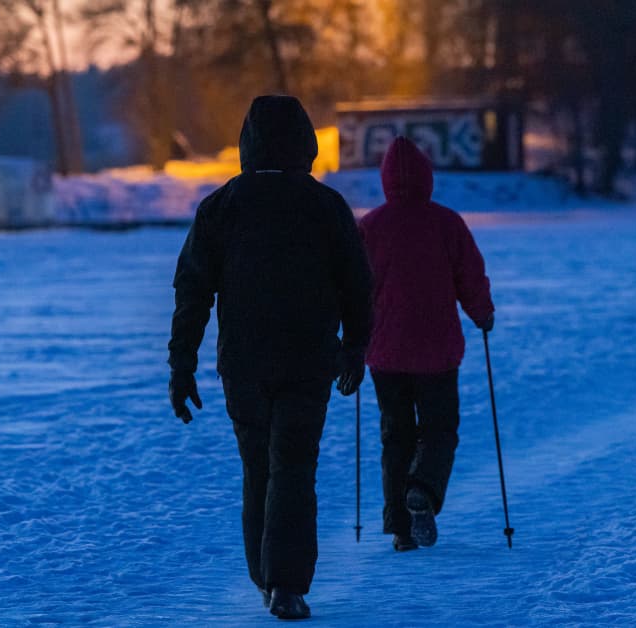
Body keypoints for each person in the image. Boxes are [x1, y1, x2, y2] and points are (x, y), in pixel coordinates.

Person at [167, 95, 372, 621]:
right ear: (305, 142)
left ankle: (268, 577)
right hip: (308, 361)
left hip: (244, 365)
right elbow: (357, 284)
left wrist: (182, 364)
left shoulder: (221, 207)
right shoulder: (325, 206)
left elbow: (193, 291)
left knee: (259, 467)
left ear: (247, 143)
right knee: (294, 468)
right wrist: (355, 346)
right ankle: (285, 584)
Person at [357, 137, 494, 552]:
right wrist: (482, 313)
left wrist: (347, 331)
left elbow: (353, 285)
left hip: (385, 351)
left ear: (385, 179)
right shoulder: (447, 223)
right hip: (437, 350)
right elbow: (470, 275)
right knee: (440, 429)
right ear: (426, 177)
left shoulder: (369, 227)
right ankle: (423, 488)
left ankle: (401, 529)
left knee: (396, 436)